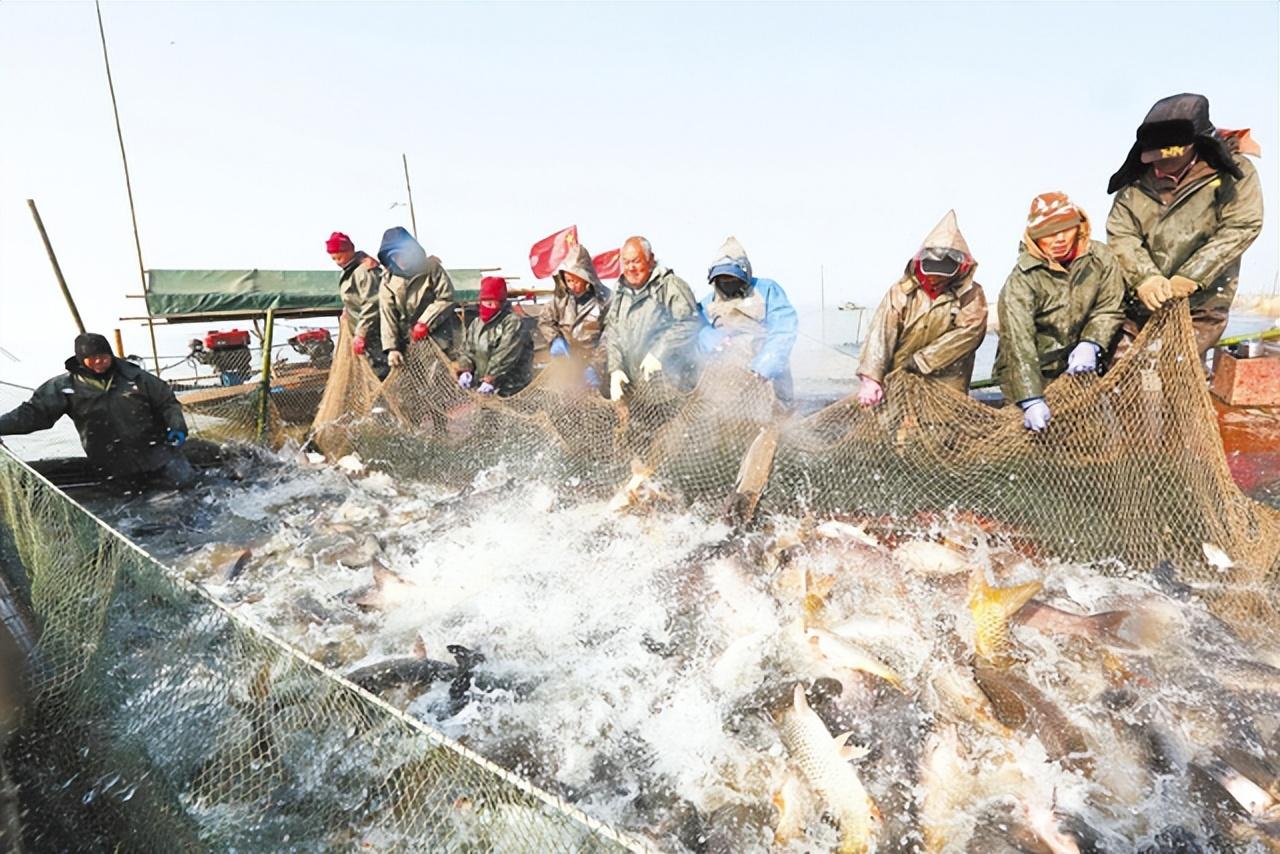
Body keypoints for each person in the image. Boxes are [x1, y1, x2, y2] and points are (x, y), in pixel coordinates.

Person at [1106, 93, 1263, 363]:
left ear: (1196, 145)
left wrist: (1193, 275)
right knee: (1123, 363)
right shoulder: (1133, 182)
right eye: (1153, 155)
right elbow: (1122, 234)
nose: (1160, 163)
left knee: (1177, 365)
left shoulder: (1235, 172)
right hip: (1142, 298)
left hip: (1203, 302)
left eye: (1169, 155)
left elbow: (1242, 224)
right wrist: (1145, 278)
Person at [994, 193, 1125, 432]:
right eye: (1048, 233)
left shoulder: (1102, 258)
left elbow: (1110, 307)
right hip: (1033, 369)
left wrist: (1091, 343)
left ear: (1078, 226)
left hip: (1080, 368)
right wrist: (1030, 397)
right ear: (1035, 237)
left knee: (1082, 439)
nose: (1060, 239)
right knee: (1034, 441)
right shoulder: (1021, 279)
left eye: (1066, 228)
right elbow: (1018, 343)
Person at [0, 333, 195, 490]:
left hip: (158, 454)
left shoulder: (136, 378)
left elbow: (167, 402)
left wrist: (176, 426)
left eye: (103, 357)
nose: (99, 362)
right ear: (80, 359)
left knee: (185, 486)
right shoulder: (65, 387)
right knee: (133, 510)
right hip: (113, 464)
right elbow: (33, 414)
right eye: (92, 358)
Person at [857, 211, 988, 406]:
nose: (936, 277)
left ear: (960, 268)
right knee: (893, 427)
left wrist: (922, 360)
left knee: (943, 431)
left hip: (948, 386)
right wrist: (871, 379)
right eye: (932, 268)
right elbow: (880, 334)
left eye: (944, 270)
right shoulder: (900, 292)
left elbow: (969, 334)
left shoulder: (971, 294)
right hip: (898, 380)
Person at [697, 236, 799, 402]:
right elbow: (698, 329)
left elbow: (784, 330)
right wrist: (715, 339)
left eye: (733, 279)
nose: (728, 283)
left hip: (766, 376)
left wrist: (764, 367)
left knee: (777, 419)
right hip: (728, 376)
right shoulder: (709, 302)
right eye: (723, 280)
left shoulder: (767, 290)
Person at [603, 236, 702, 401]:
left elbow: (689, 322)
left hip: (672, 391)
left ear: (650, 260)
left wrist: (657, 354)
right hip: (635, 392)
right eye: (626, 262)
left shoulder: (670, 285)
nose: (631, 268)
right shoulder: (620, 293)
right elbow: (612, 332)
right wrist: (616, 369)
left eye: (636, 261)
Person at [377, 226, 462, 369]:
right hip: (407, 343)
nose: (399, 260)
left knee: (441, 379)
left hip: (441, 338)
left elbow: (446, 298)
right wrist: (392, 348)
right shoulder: (388, 280)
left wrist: (425, 322)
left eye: (402, 255)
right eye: (394, 256)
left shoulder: (432, 268)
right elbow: (387, 315)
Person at [537, 243, 612, 389]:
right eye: (569, 281)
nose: (573, 286)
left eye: (576, 281)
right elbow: (545, 321)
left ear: (587, 277)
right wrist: (555, 339)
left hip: (596, 368)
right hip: (567, 365)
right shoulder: (559, 300)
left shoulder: (605, 300)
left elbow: (611, 336)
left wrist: (596, 366)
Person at [456, 276, 533, 396]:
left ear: (501, 303)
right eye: (484, 302)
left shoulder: (512, 322)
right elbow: (467, 350)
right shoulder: (477, 323)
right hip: (482, 387)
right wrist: (466, 369)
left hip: (510, 388)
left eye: (491, 303)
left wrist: (491, 377)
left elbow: (506, 353)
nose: (487, 306)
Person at [326, 231, 388, 378]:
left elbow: (372, 304)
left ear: (349, 251)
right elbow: (354, 298)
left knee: (380, 374)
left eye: (339, 257)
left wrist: (361, 334)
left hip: (376, 334)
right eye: (334, 259)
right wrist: (347, 309)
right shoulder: (349, 271)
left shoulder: (365, 271)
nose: (338, 262)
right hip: (363, 334)